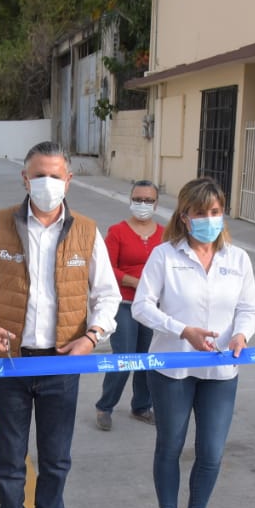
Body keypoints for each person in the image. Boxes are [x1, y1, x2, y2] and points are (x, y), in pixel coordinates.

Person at [0, 140, 120, 508]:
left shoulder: (87, 231)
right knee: (9, 459)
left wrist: (92, 337)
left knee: (56, 458)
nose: (47, 183)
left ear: (69, 180)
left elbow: (107, 294)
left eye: (55, 175)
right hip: (10, 362)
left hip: (61, 364)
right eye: (39, 175)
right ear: (24, 179)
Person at [133, 178, 255, 508]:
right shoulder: (164, 256)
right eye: (200, 213)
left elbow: (248, 308)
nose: (209, 219)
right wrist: (181, 330)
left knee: (212, 451)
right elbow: (141, 306)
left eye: (215, 212)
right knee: (170, 445)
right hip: (172, 367)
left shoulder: (237, 259)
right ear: (185, 216)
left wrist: (241, 335)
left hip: (220, 371)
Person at [94, 180, 163, 431]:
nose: (143, 204)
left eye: (148, 200)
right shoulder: (117, 232)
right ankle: (105, 406)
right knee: (124, 357)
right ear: (131, 200)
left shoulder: (164, 234)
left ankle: (142, 406)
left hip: (152, 306)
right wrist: (134, 282)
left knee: (147, 358)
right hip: (124, 304)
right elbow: (106, 267)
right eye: (138, 199)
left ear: (156, 204)